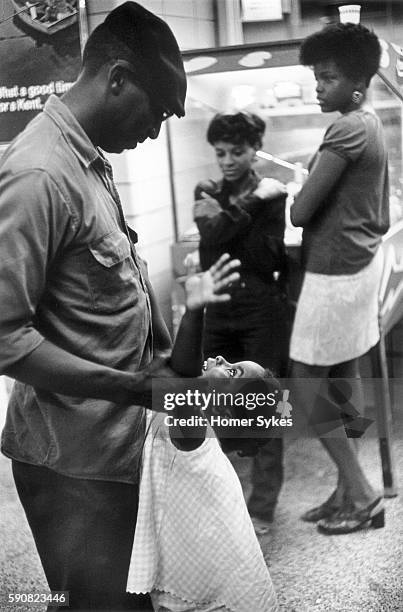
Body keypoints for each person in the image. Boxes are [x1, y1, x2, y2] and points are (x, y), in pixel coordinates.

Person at [0, 2, 187, 610]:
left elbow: (108, 287)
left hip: (114, 453)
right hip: (73, 470)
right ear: (118, 78)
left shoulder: (88, 160)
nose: (156, 130)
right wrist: (133, 388)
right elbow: (5, 339)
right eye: (157, 111)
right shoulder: (38, 173)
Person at [128, 254, 279, 612]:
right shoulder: (200, 433)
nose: (224, 360)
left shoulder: (193, 435)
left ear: (227, 410)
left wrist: (196, 310)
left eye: (234, 373)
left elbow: (183, 376)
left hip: (206, 586)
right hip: (213, 569)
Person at [289, 22, 389, 535]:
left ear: (356, 83)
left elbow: (302, 213)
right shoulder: (369, 124)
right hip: (358, 266)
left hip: (334, 273)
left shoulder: (346, 128)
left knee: (304, 386)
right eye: (316, 76)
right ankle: (344, 489)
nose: (317, 86)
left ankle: (364, 493)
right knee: (343, 378)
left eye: (326, 77)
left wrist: (293, 186)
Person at [193, 111, 289, 532]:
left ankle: (262, 507)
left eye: (237, 151)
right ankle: (225, 500)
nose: (228, 160)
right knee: (217, 404)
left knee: (264, 402)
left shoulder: (275, 193)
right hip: (219, 309)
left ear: (254, 151)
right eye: (220, 153)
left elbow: (267, 257)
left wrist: (230, 227)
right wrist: (251, 205)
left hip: (259, 309)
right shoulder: (210, 189)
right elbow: (211, 236)